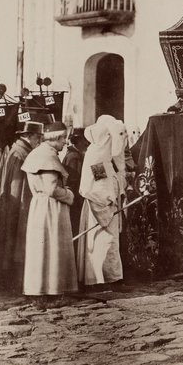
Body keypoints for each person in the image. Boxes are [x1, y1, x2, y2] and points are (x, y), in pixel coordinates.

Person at [21, 121, 78, 304]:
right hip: (50, 209)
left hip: (40, 207)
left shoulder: (40, 153)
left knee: (41, 250)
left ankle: (38, 290)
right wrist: (69, 194)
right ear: (57, 138)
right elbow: (52, 189)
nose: (65, 144)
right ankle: (52, 292)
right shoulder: (47, 157)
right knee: (51, 249)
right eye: (64, 139)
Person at [0, 120, 43, 291]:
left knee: (11, 241)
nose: (39, 142)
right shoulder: (22, 154)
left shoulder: (16, 150)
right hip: (18, 205)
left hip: (12, 206)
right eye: (38, 138)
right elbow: (19, 186)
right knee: (17, 242)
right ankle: (14, 281)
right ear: (31, 137)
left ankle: (10, 279)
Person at [78, 116, 126, 289]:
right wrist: (109, 200)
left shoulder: (103, 156)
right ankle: (102, 280)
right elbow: (98, 186)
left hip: (108, 205)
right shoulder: (97, 156)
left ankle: (112, 277)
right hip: (99, 206)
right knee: (102, 242)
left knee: (110, 242)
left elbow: (112, 178)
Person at [62, 127, 87, 234]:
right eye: (84, 141)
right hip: (75, 199)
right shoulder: (74, 157)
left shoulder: (72, 154)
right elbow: (74, 180)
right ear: (79, 142)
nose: (86, 144)